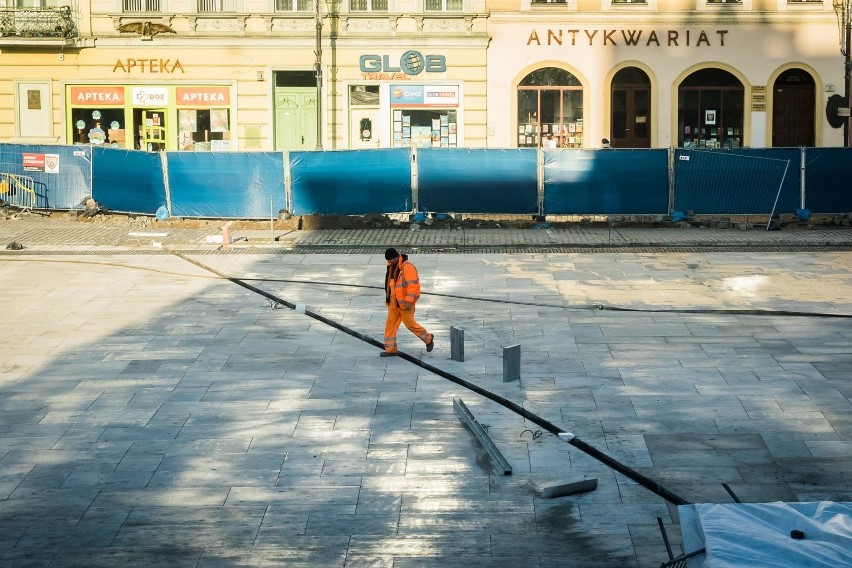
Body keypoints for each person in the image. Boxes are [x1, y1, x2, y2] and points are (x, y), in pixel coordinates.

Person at [381, 248, 434, 357]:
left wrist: (409, 302)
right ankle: (391, 350)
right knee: (390, 326)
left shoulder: (408, 267)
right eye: (388, 261)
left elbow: (413, 287)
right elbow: (390, 286)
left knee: (410, 324)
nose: (389, 262)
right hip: (393, 304)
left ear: (396, 257)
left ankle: (428, 338)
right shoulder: (391, 266)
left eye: (391, 260)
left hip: (405, 304)